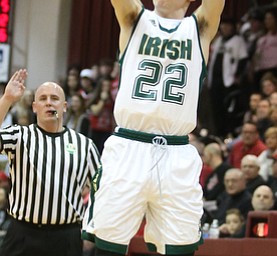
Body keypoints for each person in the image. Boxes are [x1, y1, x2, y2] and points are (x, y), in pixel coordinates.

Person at [82, 1, 225, 256]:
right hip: (129, 144)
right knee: (108, 243)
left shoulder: (199, 27)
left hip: (176, 150)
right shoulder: (135, 18)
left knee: (180, 247)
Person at [0, 69, 101, 256]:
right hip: (22, 234)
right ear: (34, 107)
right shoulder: (19, 136)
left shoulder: (85, 145)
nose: (48, 102)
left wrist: (91, 229)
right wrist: (6, 99)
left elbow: (101, 190)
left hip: (66, 237)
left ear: (64, 106)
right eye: (43, 98)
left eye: (54, 98)